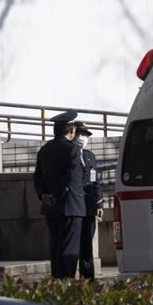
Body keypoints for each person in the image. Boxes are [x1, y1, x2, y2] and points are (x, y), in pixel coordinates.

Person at [33, 110, 85, 279]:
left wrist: (44, 195)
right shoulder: (73, 149)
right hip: (70, 205)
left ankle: (57, 279)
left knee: (55, 246)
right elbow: (70, 178)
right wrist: (57, 195)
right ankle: (67, 281)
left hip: (50, 206)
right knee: (69, 248)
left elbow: (37, 176)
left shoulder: (44, 150)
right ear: (71, 130)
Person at [75, 122, 103, 280]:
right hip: (74, 206)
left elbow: (95, 181)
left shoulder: (89, 155)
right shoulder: (69, 154)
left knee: (87, 245)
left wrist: (99, 203)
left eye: (85, 135)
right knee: (75, 245)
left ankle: (88, 278)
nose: (83, 138)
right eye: (81, 134)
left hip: (89, 206)